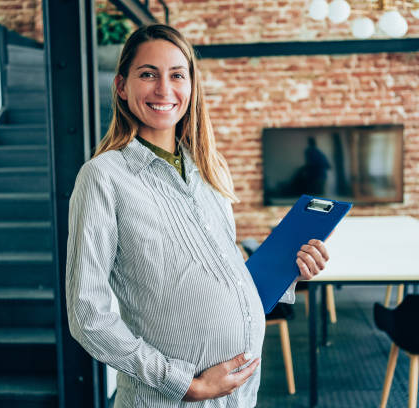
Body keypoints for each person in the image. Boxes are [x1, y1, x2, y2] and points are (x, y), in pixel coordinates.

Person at [66, 24, 330, 407]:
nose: (163, 89)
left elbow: (228, 275)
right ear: (122, 87)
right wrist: (185, 384)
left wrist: (291, 267)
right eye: (147, 74)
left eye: (176, 75)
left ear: (191, 86)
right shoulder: (103, 177)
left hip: (239, 397)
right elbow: (87, 316)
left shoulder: (211, 170)